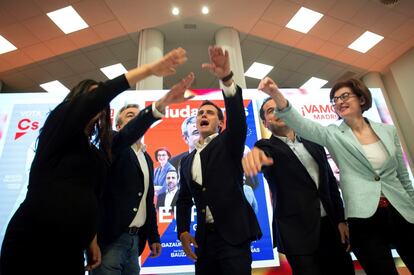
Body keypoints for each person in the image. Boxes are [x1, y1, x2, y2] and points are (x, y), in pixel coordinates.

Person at [0, 47, 188, 275]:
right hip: (36, 239)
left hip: (72, 246)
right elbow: (98, 98)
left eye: (99, 102)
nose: (96, 104)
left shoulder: (95, 152)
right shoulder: (57, 129)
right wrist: (148, 70)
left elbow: (126, 137)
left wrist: (162, 103)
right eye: (91, 98)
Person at [257, 77, 414, 275]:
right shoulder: (332, 134)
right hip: (363, 220)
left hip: (401, 212)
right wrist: (275, 94)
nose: (339, 101)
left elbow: (403, 177)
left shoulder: (388, 131)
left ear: (362, 99)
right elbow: (300, 123)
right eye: (335, 99)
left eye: (345, 96)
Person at [94, 71, 194, 275]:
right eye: (130, 116)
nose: (136, 120)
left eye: (138, 116)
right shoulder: (112, 143)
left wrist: (154, 237)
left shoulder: (147, 158)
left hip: (135, 242)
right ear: (119, 126)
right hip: (111, 240)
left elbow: (148, 202)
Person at [242, 97, 355, 275]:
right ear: (265, 123)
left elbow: (330, 184)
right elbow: (262, 152)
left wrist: (341, 219)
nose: (277, 112)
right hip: (297, 235)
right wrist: (256, 154)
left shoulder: (314, 142)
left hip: (331, 228)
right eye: (270, 111)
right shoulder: (266, 146)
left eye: (279, 108)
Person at [176, 46, 262, 275]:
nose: (203, 115)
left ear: (220, 124)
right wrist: (182, 230)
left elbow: (237, 119)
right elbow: (183, 199)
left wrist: (226, 78)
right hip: (204, 241)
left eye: (210, 113)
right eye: (200, 114)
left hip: (233, 239)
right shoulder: (186, 161)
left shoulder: (228, 143)